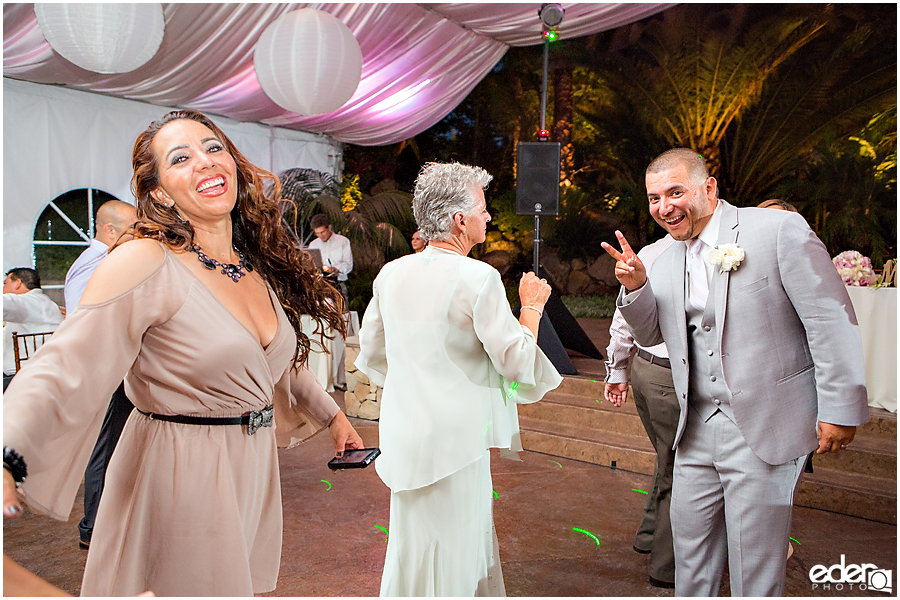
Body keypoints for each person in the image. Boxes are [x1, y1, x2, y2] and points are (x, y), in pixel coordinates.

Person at [2, 109, 364, 596]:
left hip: (252, 469)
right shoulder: (145, 259)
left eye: (213, 148)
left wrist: (334, 417)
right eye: (181, 158)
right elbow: (65, 360)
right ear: (159, 192)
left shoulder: (249, 265)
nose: (206, 163)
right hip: (179, 472)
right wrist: (7, 452)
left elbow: (272, 365)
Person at [601, 148, 869, 596]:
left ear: (709, 188)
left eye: (675, 192)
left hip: (763, 426)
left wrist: (840, 408)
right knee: (692, 559)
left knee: (756, 568)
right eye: (653, 198)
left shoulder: (777, 230)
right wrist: (637, 287)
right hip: (695, 431)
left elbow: (829, 320)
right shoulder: (661, 256)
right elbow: (649, 333)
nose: (664, 207)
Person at [356, 162, 562, 597]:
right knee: (460, 542)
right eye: (483, 209)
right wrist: (531, 307)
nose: (489, 217)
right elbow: (517, 363)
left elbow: (372, 350)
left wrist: (420, 377)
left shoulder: (390, 274)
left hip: (406, 434)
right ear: (459, 220)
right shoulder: (479, 277)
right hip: (457, 442)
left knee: (412, 543)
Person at [62, 200, 139, 550]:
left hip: (114, 372)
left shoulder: (104, 261)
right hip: (102, 374)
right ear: (110, 230)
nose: (138, 236)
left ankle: (110, 520)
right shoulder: (92, 264)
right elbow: (87, 322)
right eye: (132, 229)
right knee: (105, 450)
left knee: (118, 447)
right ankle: (91, 527)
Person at [603, 233, 678, 589]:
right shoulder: (671, 252)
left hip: (646, 371)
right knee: (680, 469)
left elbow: (623, 317)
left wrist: (618, 369)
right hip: (669, 377)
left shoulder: (652, 249)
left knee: (667, 460)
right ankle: (667, 569)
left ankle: (648, 537)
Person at [309, 212, 353, 390]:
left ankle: (341, 374)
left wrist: (335, 269)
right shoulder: (313, 245)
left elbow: (348, 265)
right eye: (317, 233)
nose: (320, 236)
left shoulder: (342, 241)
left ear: (329, 228)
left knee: (340, 327)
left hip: (338, 285)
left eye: (323, 232)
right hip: (321, 287)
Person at [3, 268, 64, 390]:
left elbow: (5, 304)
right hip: (43, 372)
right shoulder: (46, 304)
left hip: (23, 377)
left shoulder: (29, 303)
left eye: (5, 284)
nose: (3, 289)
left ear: (17, 283)